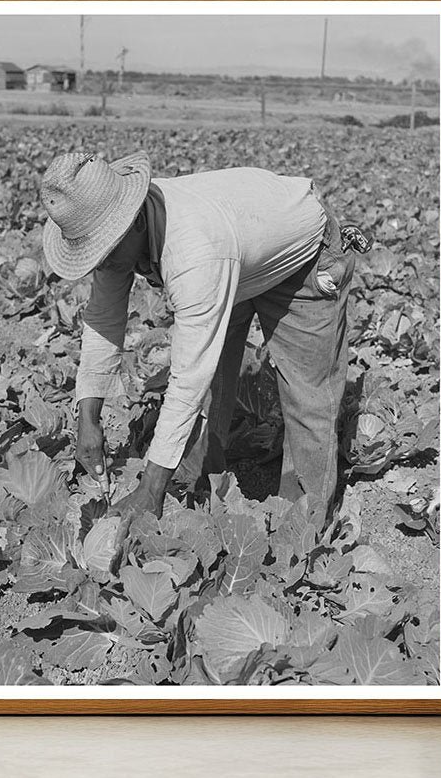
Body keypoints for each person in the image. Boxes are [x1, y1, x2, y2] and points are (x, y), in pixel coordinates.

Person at [39, 149, 367, 522]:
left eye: (105, 250)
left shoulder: (193, 252)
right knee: (214, 382)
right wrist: (89, 417)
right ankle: (192, 491)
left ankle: (304, 524)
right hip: (241, 248)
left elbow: (187, 377)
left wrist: (148, 488)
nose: (103, 262)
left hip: (303, 254)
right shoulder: (117, 235)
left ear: (137, 225)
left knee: (307, 394)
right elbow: (102, 320)